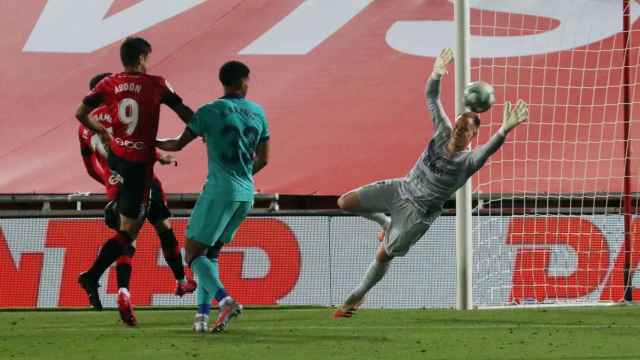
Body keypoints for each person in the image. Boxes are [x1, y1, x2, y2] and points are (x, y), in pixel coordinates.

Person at [333, 48, 529, 318]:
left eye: (466, 130)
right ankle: (385, 223)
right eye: (459, 126)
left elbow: (490, 149)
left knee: (384, 255)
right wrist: (437, 73)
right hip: (400, 189)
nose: (459, 131)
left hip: (418, 214)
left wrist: (503, 130)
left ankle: (355, 297)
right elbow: (431, 97)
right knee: (345, 202)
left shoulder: (469, 161)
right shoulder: (442, 131)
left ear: (473, 135)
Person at [75, 37, 195, 326]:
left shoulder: (108, 89)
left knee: (134, 231)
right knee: (139, 231)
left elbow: (81, 120)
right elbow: (185, 113)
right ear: (142, 58)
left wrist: (106, 173)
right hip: (141, 169)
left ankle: (124, 288)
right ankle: (95, 276)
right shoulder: (157, 83)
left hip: (117, 169)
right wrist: (203, 129)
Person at [156, 60, 270, 333]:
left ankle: (225, 301)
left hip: (220, 190)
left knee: (193, 254)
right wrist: (243, 176)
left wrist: (149, 141)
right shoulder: (258, 112)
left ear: (223, 81)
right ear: (243, 81)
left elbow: (177, 144)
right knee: (210, 255)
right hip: (246, 194)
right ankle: (202, 318)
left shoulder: (209, 111)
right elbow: (264, 160)